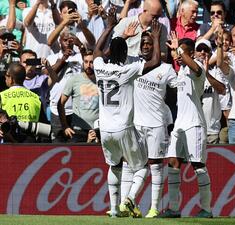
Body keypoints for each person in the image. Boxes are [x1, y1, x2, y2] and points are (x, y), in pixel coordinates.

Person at [93, 8, 161, 218]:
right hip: (124, 127)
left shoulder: (99, 66)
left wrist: (112, 28)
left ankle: (114, 209)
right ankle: (129, 200)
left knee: (114, 166)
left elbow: (97, 51)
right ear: (124, 54)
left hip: (104, 128)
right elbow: (155, 62)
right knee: (141, 168)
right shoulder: (126, 71)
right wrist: (156, 39)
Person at [160, 37, 212, 218]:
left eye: (182, 51)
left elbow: (196, 68)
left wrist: (179, 50)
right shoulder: (181, 71)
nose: (178, 54)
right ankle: (174, 209)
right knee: (173, 163)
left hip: (194, 123)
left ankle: (206, 208)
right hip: (180, 124)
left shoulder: (197, 66)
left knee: (198, 164)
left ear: (190, 52)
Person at [131, 31, 177, 218]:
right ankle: (129, 203)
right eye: (143, 42)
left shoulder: (166, 69)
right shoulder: (135, 66)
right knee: (132, 166)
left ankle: (154, 207)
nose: (145, 45)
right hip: (136, 124)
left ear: (156, 44)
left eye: (149, 42)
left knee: (156, 166)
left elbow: (178, 89)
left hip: (157, 124)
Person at [47, 31, 83, 142]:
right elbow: (49, 74)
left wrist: (81, 45)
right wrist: (63, 59)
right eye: (65, 40)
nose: (68, 43)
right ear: (60, 41)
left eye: (70, 40)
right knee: (57, 142)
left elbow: (90, 59)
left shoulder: (80, 57)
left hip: (76, 110)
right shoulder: (52, 58)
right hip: (56, 110)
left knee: (77, 144)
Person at [57, 50, 99, 142]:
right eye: (86, 62)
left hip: (98, 130)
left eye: (91, 62)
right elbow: (60, 103)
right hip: (79, 130)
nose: (88, 65)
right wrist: (65, 126)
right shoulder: (74, 80)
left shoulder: (101, 79)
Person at [194, 38, 226, 144]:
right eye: (199, 49)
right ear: (194, 53)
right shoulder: (187, 71)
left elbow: (222, 90)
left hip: (211, 131)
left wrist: (206, 74)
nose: (202, 52)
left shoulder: (217, 71)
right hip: (193, 128)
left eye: (205, 49)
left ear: (210, 53)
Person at [20, 49, 58, 120]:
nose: (29, 65)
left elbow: (54, 79)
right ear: (20, 63)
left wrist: (48, 67)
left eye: (32, 62)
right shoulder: (16, 77)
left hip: (38, 118)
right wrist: (28, 68)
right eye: (26, 62)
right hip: (20, 117)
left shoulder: (41, 78)